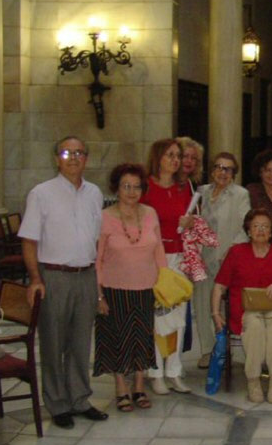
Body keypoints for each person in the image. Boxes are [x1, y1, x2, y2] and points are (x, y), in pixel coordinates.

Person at [18, 136, 108, 429]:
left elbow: (97, 239)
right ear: (57, 158)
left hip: (85, 276)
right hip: (54, 276)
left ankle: (80, 399)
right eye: (67, 152)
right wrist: (35, 279)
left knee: (81, 343)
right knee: (54, 342)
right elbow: (29, 240)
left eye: (80, 152)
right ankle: (57, 404)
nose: (74, 157)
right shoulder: (41, 193)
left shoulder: (94, 193)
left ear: (87, 158)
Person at [94, 163, 167, 412]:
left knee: (141, 338)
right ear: (116, 188)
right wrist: (99, 294)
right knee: (116, 339)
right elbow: (98, 258)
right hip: (114, 289)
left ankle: (138, 385)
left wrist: (164, 283)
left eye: (136, 186)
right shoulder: (104, 217)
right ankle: (120, 388)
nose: (131, 191)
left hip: (146, 287)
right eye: (126, 186)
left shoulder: (150, 213)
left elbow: (159, 250)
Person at [211, 209, 272, 403]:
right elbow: (219, 285)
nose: (260, 230)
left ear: (271, 231)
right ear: (248, 231)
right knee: (255, 327)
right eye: (256, 226)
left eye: (265, 226)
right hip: (246, 310)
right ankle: (253, 380)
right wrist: (216, 313)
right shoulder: (236, 252)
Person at [140, 138, 194, 395]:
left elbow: (191, 225)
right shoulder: (146, 188)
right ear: (158, 157)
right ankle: (155, 371)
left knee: (178, 319)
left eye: (178, 155)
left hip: (179, 257)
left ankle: (174, 370)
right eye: (170, 155)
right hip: (153, 259)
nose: (175, 160)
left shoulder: (185, 189)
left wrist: (192, 223)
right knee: (157, 318)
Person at [194, 152, 250, 369]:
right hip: (202, 258)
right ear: (212, 169)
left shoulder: (240, 194)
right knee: (201, 304)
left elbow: (246, 226)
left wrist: (232, 252)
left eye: (228, 169)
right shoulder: (201, 192)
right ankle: (208, 350)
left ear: (234, 174)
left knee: (228, 307)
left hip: (227, 258)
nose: (222, 172)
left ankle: (229, 347)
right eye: (219, 167)